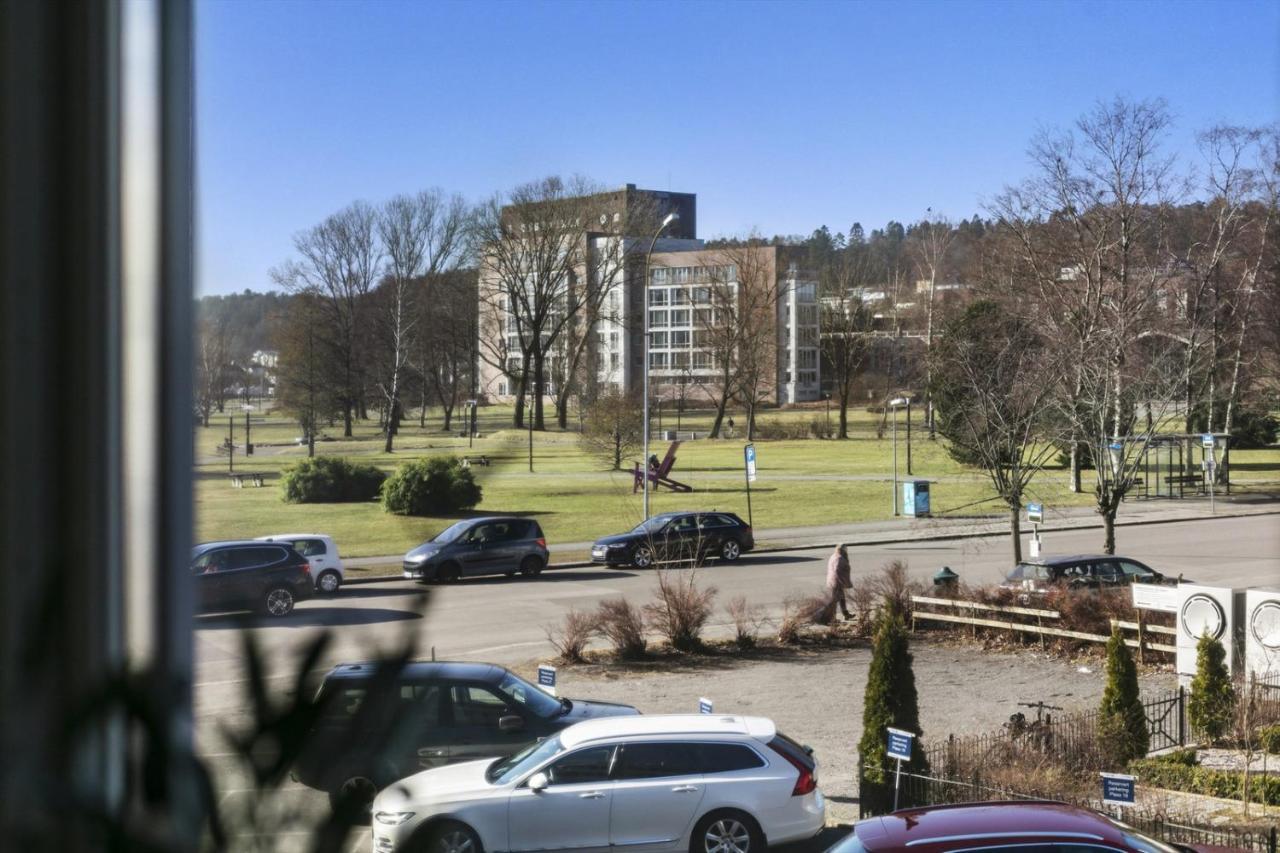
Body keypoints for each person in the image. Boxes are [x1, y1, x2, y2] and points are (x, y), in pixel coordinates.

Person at [826, 543, 853, 620]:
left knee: (841, 598)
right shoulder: (840, 558)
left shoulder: (834, 556)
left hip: (833, 580)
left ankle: (846, 614)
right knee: (834, 600)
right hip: (837, 581)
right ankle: (831, 617)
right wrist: (842, 580)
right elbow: (837, 570)